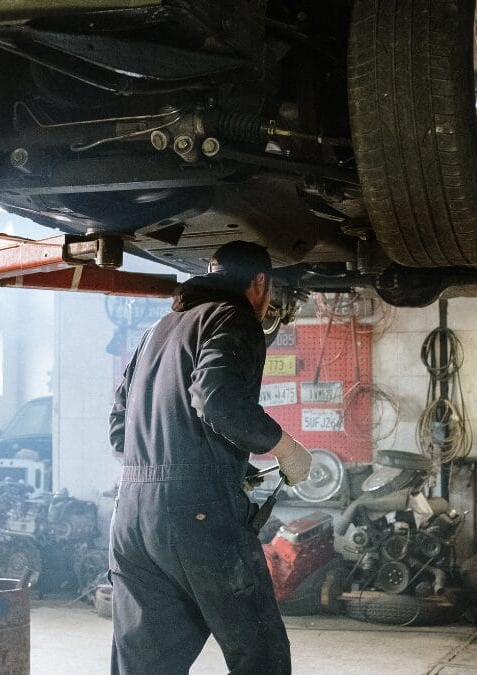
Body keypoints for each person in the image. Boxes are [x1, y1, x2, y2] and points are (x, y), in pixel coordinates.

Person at [108, 240, 313, 675]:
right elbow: (218, 401)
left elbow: (119, 424)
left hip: (130, 516)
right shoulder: (234, 317)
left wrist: (179, 468)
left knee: (145, 662)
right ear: (260, 284)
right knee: (260, 654)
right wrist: (285, 448)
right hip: (198, 518)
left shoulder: (158, 330)